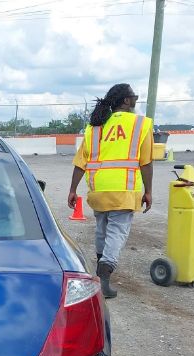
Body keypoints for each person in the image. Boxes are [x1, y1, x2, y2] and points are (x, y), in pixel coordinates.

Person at [68, 83, 153, 298]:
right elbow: (146, 163)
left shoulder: (95, 126)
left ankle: (99, 271)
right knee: (117, 232)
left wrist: (72, 190)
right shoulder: (140, 124)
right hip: (124, 189)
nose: (135, 100)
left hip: (98, 189)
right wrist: (148, 191)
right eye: (134, 97)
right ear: (126, 100)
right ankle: (104, 276)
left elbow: (81, 162)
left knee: (102, 229)